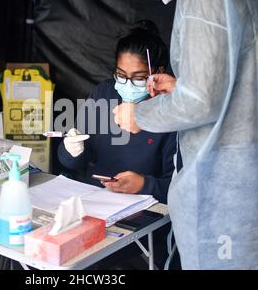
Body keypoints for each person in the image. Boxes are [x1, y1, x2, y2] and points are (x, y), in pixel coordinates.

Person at [114, 0, 258, 269]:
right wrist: (181, 87)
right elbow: (248, 89)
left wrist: (139, 114)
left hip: (228, 201)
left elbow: (200, 103)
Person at [59, 20, 178, 203]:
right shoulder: (104, 94)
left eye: (138, 78)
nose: (128, 85)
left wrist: (143, 185)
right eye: (121, 76)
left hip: (144, 210)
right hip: (93, 200)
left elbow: (179, 188)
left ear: (159, 72)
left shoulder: (172, 111)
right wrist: (71, 151)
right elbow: (72, 163)